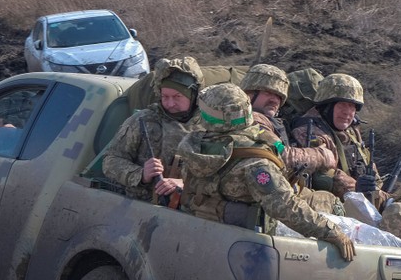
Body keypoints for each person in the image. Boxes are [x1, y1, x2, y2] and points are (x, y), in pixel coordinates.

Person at [178, 82, 356, 261]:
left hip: (203, 234)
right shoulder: (255, 162)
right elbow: (285, 206)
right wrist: (330, 231)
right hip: (249, 248)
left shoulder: (194, 146)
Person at [240, 63, 342, 215]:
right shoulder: (252, 119)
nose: (274, 100)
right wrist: (321, 155)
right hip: (263, 195)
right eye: (268, 93)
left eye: (279, 96)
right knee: (334, 206)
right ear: (249, 93)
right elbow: (280, 154)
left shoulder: (271, 122)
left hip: (275, 191)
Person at [102, 56, 203, 203]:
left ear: (193, 96)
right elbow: (110, 161)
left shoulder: (207, 127)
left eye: (177, 96)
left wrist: (184, 184)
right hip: (140, 206)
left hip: (187, 212)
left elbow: (216, 177)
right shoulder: (142, 121)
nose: (170, 103)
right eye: (165, 96)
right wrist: (140, 174)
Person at [290, 73, 382, 202]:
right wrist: (357, 188)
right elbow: (325, 175)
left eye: (352, 106)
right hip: (325, 204)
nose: (347, 112)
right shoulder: (309, 130)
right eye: (342, 105)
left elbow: (368, 163)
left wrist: (380, 193)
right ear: (326, 106)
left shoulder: (351, 131)